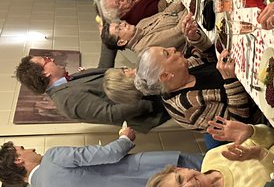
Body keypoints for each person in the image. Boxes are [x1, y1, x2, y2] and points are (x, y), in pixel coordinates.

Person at [0, 127, 203, 187]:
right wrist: (125, 138)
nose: (32, 149)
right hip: (152, 171)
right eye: (24, 149)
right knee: (209, 169)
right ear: (18, 159)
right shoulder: (52, 158)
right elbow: (110, 154)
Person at [134, 15, 261, 130]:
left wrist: (196, 39)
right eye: (166, 53)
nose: (172, 48)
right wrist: (230, 81)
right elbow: (238, 124)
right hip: (260, 104)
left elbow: (208, 58)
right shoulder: (186, 108)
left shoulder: (181, 70)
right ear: (165, 76)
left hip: (249, 72)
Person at [147, 117, 274, 187]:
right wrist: (260, 155)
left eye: (180, 179)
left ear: (180, 169)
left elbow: (272, 140)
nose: (190, 185)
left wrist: (252, 131)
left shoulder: (211, 158)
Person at [15, 55, 166, 131]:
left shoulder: (67, 81)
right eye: (46, 59)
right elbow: (111, 113)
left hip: (149, 88)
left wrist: (107, 39)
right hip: (155, 102)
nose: (52, 58)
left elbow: (104, 71)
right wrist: (150, 102)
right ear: (45, 73)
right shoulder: (66, 100)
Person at [101, 0, 187, 55]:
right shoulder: (144, 48)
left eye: (119, 24)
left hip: (189, 14)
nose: (123, 23)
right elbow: (180, 31)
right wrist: (190, 6)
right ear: (122, 42)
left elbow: (167, 12)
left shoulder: (140, 24)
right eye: (119, 28)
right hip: (195, 28)